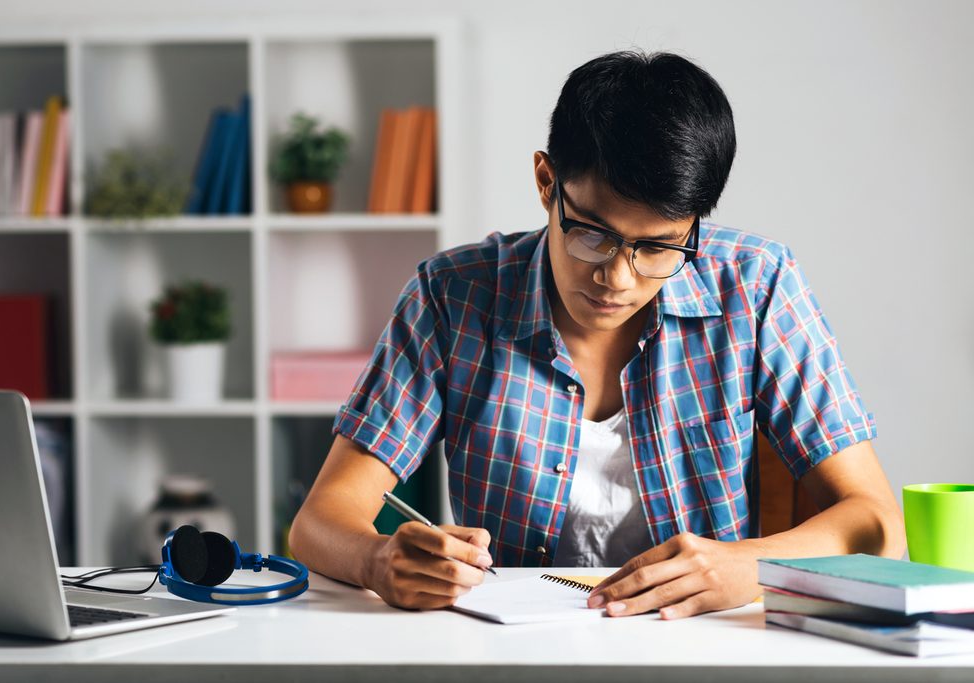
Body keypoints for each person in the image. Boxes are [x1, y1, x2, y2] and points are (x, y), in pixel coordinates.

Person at [288, 50, 905, 619]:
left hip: (704, 645)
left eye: (658, 248)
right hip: (509, 648)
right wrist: (378, 559)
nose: (617, 277)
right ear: (547, 183)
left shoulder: (757, 286)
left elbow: (877, 520)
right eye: (592, 234)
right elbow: (319, 520)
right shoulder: (453, 295)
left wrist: (752, 565)